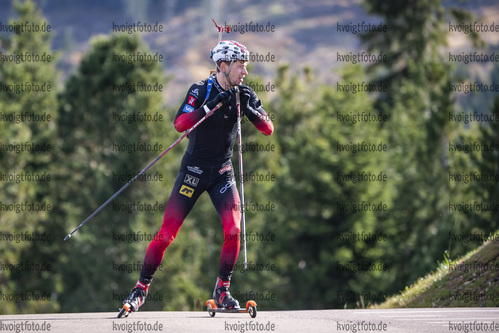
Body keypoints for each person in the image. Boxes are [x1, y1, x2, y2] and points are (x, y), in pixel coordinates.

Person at [122, 40, 274, 312]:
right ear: (224, 66)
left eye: (246, 66)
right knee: (167, 234)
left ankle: (223, 290)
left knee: (234, 230)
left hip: (222, 173)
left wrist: (249, 109)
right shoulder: (200, 89)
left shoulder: (245, 93)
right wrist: (211, 105)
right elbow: (179, 124)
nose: (245, 72)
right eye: (241, 65)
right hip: (193, 171)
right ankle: (140, 289)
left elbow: (268, 129)